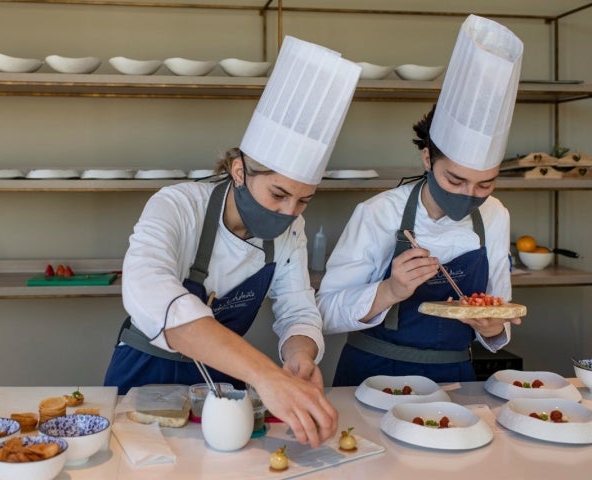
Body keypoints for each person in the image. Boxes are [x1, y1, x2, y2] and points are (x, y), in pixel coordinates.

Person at [104, 36, 361, 447]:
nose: (290, 212)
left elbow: (297, 308)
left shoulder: (291, 229)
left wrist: (299, 356)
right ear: (239, 171)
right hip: (146, 375)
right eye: (278, 194)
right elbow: (149, 291)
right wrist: (265, 374)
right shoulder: (177, 205)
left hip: (222, 386)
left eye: (303, 200)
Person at [316, 15, 525, 387]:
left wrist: (493, 327)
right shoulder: (379, 212)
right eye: (455, 179)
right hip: (372, 375)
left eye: (485, 184)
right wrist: (391, 290)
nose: (468, 196)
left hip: (455, 376)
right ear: (428, 159)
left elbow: (498, 314)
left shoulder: (494, 215)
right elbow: (325, 312)